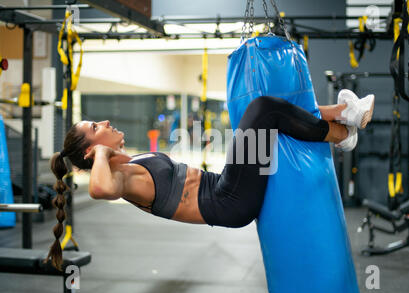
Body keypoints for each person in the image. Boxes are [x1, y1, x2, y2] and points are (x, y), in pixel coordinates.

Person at [46, 89, 374, 270]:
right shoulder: (119, 176)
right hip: (229, 202)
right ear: (91, 150)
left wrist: (103, 151)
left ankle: (343, 118)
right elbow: (99, 189)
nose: (103, 122)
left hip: (225, 186)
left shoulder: (130, 161)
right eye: (94, 128)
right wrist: (101, 155)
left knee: (265, 115)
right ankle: (343, 128)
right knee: (261, 109)